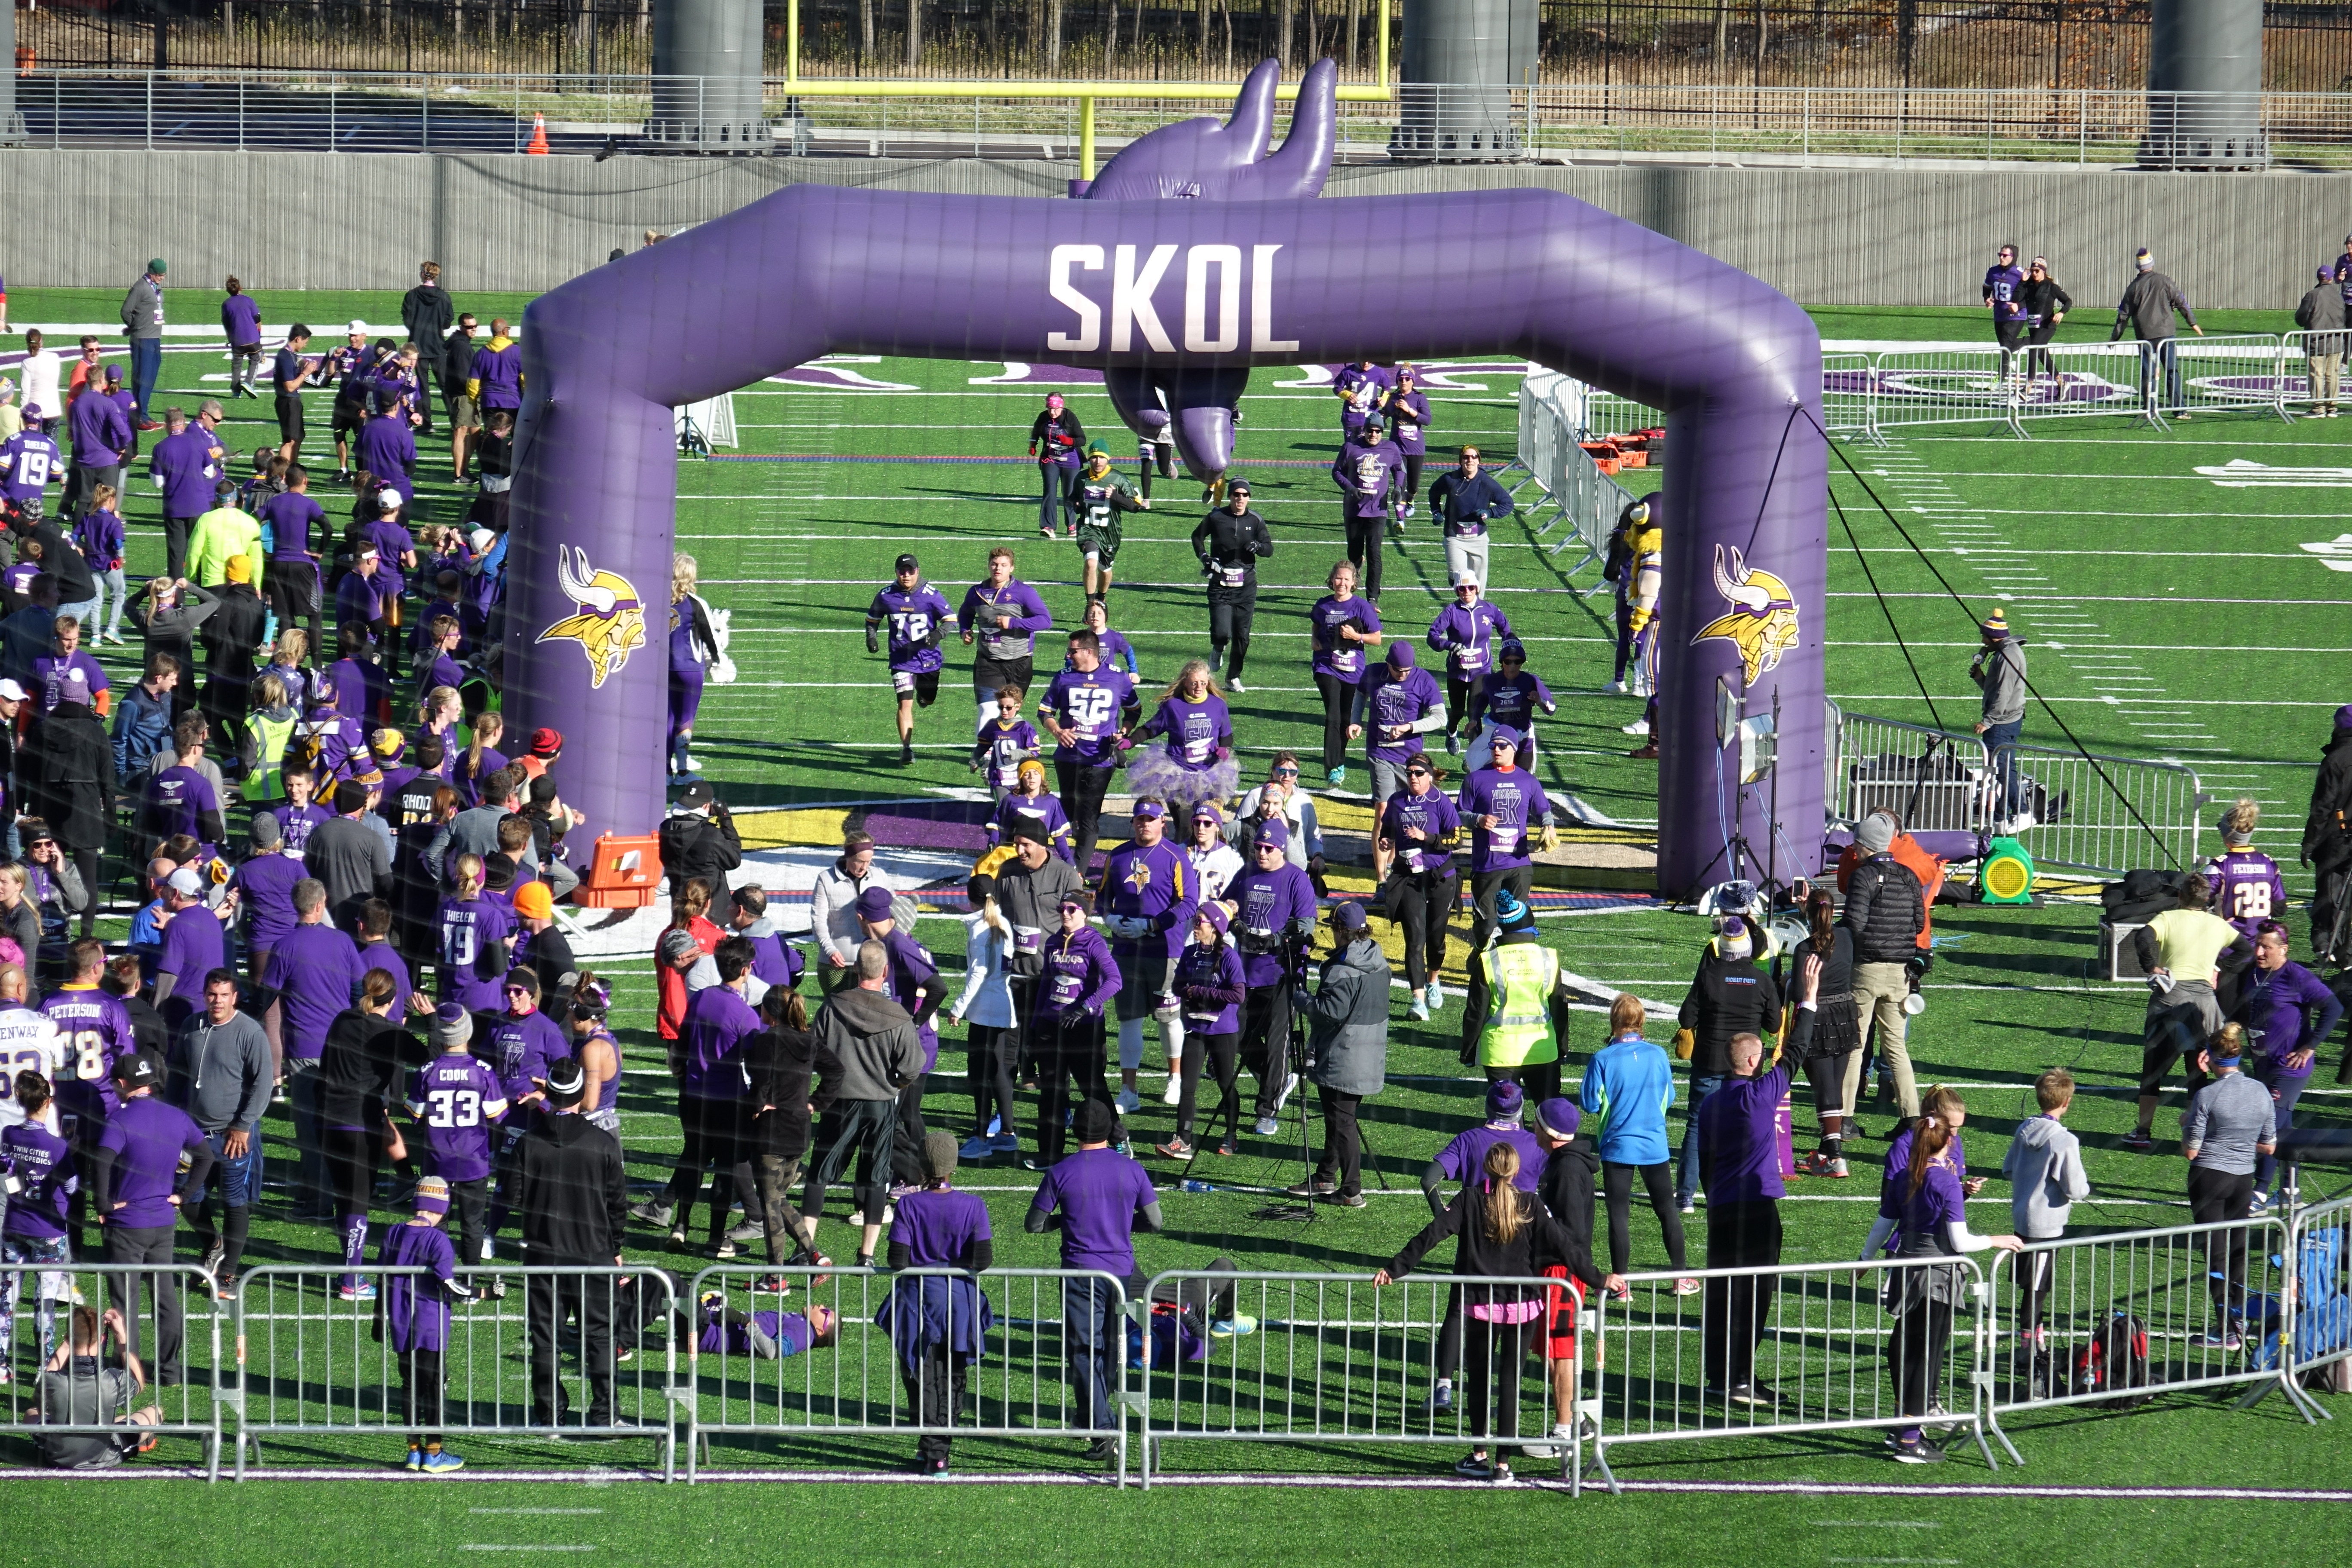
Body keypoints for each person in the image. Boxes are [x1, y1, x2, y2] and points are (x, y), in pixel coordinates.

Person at [1376, 1142, 1615, 1484]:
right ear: (1516, 1171)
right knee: (1509, 1383)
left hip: (1480, 1306)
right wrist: (1600, 1279)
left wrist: (1394, 1269)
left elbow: (1430, 1236)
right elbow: (1566, 1246)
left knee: (1479, 1382)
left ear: (1487, 1168)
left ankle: (1479, 1455)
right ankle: (1503, 1465)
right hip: (1524, 1306)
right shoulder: (1530, 1203)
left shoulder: (1470, 1200)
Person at [1695, 953, 1811, 1406]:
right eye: (1759, 1055)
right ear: (1748, 1059)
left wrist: (1715, 1195)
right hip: (1757, 1206)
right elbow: (1797, 1053)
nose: (1766, 1059)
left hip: (1722, 1207)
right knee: (1753, 1295)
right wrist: (1810, 1003)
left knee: (1723, 1294)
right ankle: (1741, 1379)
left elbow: (1703, 1163)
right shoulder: (1760, 1095)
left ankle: (1719, 1376)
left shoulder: (1710, 1105)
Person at [1025, 1098, 1162, 1464]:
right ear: (1109, 1131)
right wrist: (1123, 1225)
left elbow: (1034, 1223)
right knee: (1112, 1349)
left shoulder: (1062, 1171)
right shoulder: (1131, 1169)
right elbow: (1156, 1221)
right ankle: (1100, 1418)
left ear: (1074, 1131)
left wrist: (1064, 1223)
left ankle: (1101, 1427)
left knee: (1085, 1351)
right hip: (1120, 1271)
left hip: (1079, 1272)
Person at [1882, 1116, 2023, 1464]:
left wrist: (1865, 1258)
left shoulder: (1905, 1176)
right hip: (1937, 1277)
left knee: (1903, 1348)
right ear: (1945, 1144)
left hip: (1906, 1271)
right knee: (1924, 1357)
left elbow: (1882, 1224)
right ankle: (1910, 1439)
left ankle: (1901, 1427)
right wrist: (1997, 1240)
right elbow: (1960, 1241)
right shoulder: (1944, 1181)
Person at [516, 1058, 628, 1432]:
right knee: (599, 1336)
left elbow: (513, 1196)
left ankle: (549, 1414)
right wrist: (617, 1246)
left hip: (543, 1255)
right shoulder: (601, 1142)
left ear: (547, 1093)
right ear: (581, 1095)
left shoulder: (528, 1142)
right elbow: (617, 1204)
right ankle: (604, 1413)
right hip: (593, 1255)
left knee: (546, 1339)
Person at [801, 942, 926, 1268]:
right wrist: (894, 1083)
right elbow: (913, 1067)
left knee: (818, 1175)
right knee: (875, 1179)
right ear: (885, 972)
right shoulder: (898, 1018)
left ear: (856, 970)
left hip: (839, 1102)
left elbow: (814, 1052)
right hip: (879, 1105)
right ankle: (866, 1256)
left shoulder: (832, 1006)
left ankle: (806, 1248)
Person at [91, 1052, 213, 1387]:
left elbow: (101, 1162)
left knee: (124, 1302)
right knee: (165, 1299)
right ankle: (170, 1372)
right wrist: (183, 1195)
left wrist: (102, 1204)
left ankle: (129, 1373)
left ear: (122, 1084)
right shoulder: (176, 1116)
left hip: (127, 1223)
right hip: (162, 1221)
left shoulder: (120, 1120)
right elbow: (205, 1155)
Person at [878, 1130, 995, 1476]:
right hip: (958, 1303)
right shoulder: (974, 1205)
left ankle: (934, 1451)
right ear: (953, 1167)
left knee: (921, 1375)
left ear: (922, 1166)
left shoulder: (910, 1205)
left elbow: (898, 1260)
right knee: (953, 1376)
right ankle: (937, 1448)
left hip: (919, 1303)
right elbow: (983, 1260)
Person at [2125, 873, 2254, 1152]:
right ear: (2207, 900)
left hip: (2170, 999)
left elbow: (2143, 938)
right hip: (2203, 1004)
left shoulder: (2168, 919)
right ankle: (2196, 1133)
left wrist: (2152, 968)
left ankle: (2143, 1132)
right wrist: (2219, 970)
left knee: (2153, 1070)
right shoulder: (2217, 924)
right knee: (2197, 1069)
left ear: (2181, 897)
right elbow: (2245, 949)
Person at [167, 971, 271, 1300]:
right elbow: (177, 1076)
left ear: (235, 996)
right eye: (212, 994)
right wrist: (173, 1120)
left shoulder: (250, 1032)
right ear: (204, 995)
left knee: (234, 1202)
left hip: (233, 1136)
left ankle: (227, 1274)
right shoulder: (191, 1027)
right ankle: (214, 1244)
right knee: (188, 1197)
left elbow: (263, 1084)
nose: (217, 1001)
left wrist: (243, 1125)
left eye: (224, 995)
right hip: (195, 1135)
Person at [1579, 995, 1694, 1289]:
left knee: (1619, 1216)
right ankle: (1679, 1277)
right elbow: (1670, 1098)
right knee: (1667, 1210)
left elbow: (1590, 1104)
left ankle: (1622, 1287)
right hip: (1654, 1144)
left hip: (1617, 1146)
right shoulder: (1657, 1054)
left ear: (1614, 1021)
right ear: (1641, 1021)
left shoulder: (1602, 1059)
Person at [317, 970, 417, 1299]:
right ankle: (352, 1281)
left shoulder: (342, 1020)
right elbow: (428, 1057)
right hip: (362, 1124)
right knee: (359, 1202)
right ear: (391, 1001)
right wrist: (430, 1021)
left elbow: (324, 1066)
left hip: (330, 1121)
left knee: (343, 1198)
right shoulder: (391, 1031)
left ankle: (350, 1271)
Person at [663, 938, 765, 1257]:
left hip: (693, 1096)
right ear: (746, 970)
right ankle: (715, 1239)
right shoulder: (746, 1015)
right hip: (728, 1102)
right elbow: (756, 1065)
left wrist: (681, 1066)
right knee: (724, 1169)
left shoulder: (702, 997)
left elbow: (682, 1041)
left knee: (693, 1159)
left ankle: (680, 1226)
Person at [1674, 915, 1783, 1212]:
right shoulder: (1761, 981)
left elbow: (1686, 1019)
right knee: (1747, 1127)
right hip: (1746, 1070)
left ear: (1721, 949)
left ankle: (1686, 1195)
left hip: (1710, 1062)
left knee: (1698, 1126)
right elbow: (1774, 1025)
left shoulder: (1709, 977)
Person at [2230, 922, 2341, 1210]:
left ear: (2284, 949)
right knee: (2284, 1128)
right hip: (2263, 1065)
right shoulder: (2255, 973)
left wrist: (2310, 1046)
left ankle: (2260, 1192)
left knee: (2267, 1125)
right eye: (2257, 945)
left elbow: (2334, 1007)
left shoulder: (2297, 977)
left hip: (2289, 1068)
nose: (2259, 951)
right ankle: (2292, 1192)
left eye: (2266, 946)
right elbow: (2250, 1012)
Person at [734, 985, 839, 1285]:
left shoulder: (767, 1041)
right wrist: (815, 1104)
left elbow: (762, 1082)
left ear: (770, 1012)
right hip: (799, 1131)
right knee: (778, 1198)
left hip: (772, 1132)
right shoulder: (809, 1041)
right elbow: (837, 1071)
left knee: (770, 1205)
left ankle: (775, 1277)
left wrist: (756, 1106)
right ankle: (815, 1256)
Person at [2181, 1023, 2275, 1349]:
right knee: (2237, 1252)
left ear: (2211, 1057)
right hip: (2243, 1178)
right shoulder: (2261, 1091)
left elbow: (2191, 1150)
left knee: (2216, 1255)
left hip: (2209, 1176)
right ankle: (2237, 1322)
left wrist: (2186, 1123)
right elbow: (2269, 1146)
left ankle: (2227, 1331)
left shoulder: (2208, 1094)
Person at [1288, 901, 1387, 1208]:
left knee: (1342, 1122)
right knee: (1339, 1118)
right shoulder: (1378, 956)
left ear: (1341, 931)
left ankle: (1351, 1190)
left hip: (1343, 1054)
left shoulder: (1341, 969)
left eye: (1333, 928)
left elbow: (1329, 1012)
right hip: (1368, 1051)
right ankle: (1325, 1175)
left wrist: (1302, 999)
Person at [851, 888, 947, 1192]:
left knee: (891, 1114)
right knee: (907, 1112)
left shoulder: (898, 946)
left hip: (912, 1047)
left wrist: (912, 1024)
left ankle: (917, 1175)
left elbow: (938, 988)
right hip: (912, 1044)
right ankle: (926, 1172)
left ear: (861, 917)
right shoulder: (889, 942)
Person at [374, 1173, 470, 1472]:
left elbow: (380, 1276)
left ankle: (413, 1452)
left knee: (409, 1387)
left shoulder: (392, 1233)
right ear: (442, 1208)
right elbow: (449, 1286)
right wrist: (485, 1293)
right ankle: (434, 1452)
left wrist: (379, 1319)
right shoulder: (439, 1239)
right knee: (433, 1387)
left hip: (400, 1321)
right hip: (430, 1323)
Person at [404, 1003, 508, 1279]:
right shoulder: (483, 1071)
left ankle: (440, 1274)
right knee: (472, 1223)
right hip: (473, 1159)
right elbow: (498, 1115)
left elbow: (414, 1113)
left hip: (437, 1160)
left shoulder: (428, 1070)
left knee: (437, 1221)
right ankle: (470, 1276)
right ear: (468, 1032)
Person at [1229, 819, 1317, 1144]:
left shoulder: (1296, 879)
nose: (1262, 853)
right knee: (1238, 1038)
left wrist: (1277, 941)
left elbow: (1307, 925)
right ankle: (1278, 1082)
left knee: (1278, 1043)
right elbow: (1227, 905)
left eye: (1269, 848)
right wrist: (1235, 922)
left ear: (1281, 849)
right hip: (1245, 972)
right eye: (1259, 848)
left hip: (1282, 975)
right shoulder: (1246, 873)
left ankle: (1266, 1111)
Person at [1841, 813, 1927, 1124]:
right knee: (1896, 1049)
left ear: (1864, 846)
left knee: (1855, 1045)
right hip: (1901, 973)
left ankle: (1845, 1120)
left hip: (1867, 969)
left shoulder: (1862, 877)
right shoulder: (1908, 876)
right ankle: (1911, 1119)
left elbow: (1854, 923)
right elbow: (1919, 922)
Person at [1029, 891, 1121, 1169]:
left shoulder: (1094, 943)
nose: (1065, 913)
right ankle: (1050, 1153)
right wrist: (1035, 1026)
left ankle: (1118, 1138)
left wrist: (1085, 1007)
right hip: (1052, 1026)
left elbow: (1115, 981)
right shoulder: (1054, 942)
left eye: (1071, 909)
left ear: (1084, 913)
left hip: (1084, 1029)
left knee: (1092, 1088)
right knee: (1052, 1092)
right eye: (1062, 909)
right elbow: (1046, 984)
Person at [1461, 888, 1573, 1106]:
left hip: (1500, 1052)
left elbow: (1476, 1011)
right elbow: (1560, 1007)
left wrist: (1468, 1051)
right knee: (1549, 1116)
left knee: (1506, 1119)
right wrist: (1562, 1047)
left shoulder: (1488, 960)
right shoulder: (1548, 958)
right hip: (1542, 1049)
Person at [2001, 1068, 2089, 1349]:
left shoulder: (2024, 1128)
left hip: (2022, 1217)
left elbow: (2008, 1169)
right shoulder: (2065, 1140)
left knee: (2033, 1285)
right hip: (2047, 1224)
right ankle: (2029, 1348)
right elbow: (2076, 1189)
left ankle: (2034, 1334)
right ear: (2067, 1102)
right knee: (2037, 1290)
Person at [1039, 629, 1138, 875]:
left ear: (1089, 652)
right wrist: (1057, 731)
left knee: (1088, 819)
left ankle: (1077, 873)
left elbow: (1134, 710)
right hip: (1068, 756)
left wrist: (1123, 732)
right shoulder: (1063, 677)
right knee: (1068, 812)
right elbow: (1045, 712)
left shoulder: (1117, 677)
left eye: (1073, 651)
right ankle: (1064, 863)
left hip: (1099, 759)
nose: (1068, 655)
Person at [1457, 727, 1559, 955]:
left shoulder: (1528, 781)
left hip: (1518, 863)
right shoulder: (1476, 779)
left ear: (1513, 749)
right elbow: (1460, 814)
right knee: (1486, 925)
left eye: (1503, 746)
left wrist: (1548, 826)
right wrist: (1479, 819)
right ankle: (1480, 952)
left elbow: (1543, 810)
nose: (1497, 750)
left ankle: (1507, 966)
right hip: (1487, 864)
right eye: (1493, 746)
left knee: (1515, 925)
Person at [1, 1072, 77, 1367]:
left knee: (6, 1299)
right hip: (49, 1229)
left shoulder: (8, 1133)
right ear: (48, 1101)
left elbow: (8, 1175)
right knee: (43, 1304)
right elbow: (71, 1187)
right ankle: (44, 1368)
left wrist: (18, 1194)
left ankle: (1, 1365)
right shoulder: (58, 1146)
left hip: (14, 1225)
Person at [1161, 902, 1244, 1160]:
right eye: (1196, 920)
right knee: (1188, 1086)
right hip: (1195, 1028)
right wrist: (1187, 990)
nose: (1195, 926)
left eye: (1200, 922)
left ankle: (1231, 1134)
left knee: (1225, 1082)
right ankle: (1183, 1139)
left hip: (1223, 1030)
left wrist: (1201, 992)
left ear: (1216, 927)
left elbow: (1238, 994)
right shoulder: (1189, 954)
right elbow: (1176, 986)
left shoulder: (1229, 957)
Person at [33, 1305, 165, 1469]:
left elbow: (43, 1397)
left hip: (56, 1456)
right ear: (102, 1339)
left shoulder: (51, 1380)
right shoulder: (113, 1380)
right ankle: (134, 1440)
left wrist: (67, 1345)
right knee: (155, 1412)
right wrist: (121, 1336)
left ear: (68, 1338)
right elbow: (139, 1382)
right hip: (103, 1456)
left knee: (30, 1413)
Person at [1787, 885, 1860, 1177]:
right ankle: (1826, 1152)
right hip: (1846, 1013)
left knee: (1824, 1089)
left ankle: (1836, 1158)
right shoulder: (1846, 937)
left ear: (1811, 912)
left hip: (1818, 1017)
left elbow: (1799, 994)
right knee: (1835, 1086)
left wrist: (1786, 982)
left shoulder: (1805, 948)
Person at [1357, 644, 1446, 877]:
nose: (1403, 675)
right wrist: (1355, 720)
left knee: (1406, 812)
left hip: (1410, 758)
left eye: (1407, 670)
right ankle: (1381, 878)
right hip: (1380, 753)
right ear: (1388, 664)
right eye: (1398, 670)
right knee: (1383, 809)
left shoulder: (1423, 680)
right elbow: (1359, 694)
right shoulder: (1373, 672)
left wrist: (1410, 727)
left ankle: (1396, 865)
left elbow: (1440, 717)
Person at [951, 873, 1020, 1161]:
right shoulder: (1002, 922)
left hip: (985, 1008)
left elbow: (979, 972)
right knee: (999, 1071)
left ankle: (981, 1137)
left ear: (971, 899)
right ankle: (1007, 1133)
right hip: (1004, 1005)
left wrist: (959, 1006)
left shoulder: (981, 927)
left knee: (980, 1074)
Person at [865, 552, 953, 769]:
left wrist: (938, 634)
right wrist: (871, 637)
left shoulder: (931, 594)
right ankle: (906, 748)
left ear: (918, 571)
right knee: (904, 703)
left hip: (928, 658)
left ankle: (926, 698)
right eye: (901, 572)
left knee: (928, 699)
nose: (906, 576)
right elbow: (872, 620)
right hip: (901, 658)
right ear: (896, 573)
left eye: (910, 571)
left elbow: (951, 619)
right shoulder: (886, 595)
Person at [957, 546, 1052, 733]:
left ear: (1012, 568)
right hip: (988, 661)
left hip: (1020, 661)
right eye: (994, 564)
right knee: (988, 709)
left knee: (1009, 711)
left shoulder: (1024, 592)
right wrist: (964, 630)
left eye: (1003, 565)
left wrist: (1014, 623)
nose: (998, 569)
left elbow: (1045, 621)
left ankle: (1007, 749)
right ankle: (983, 755)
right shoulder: (976, 593)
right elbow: (965, 612)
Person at [1191, 477, 1272, 690]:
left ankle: (1233, 677)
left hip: (1246, 585)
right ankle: (1218, 648)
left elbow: (1269, 548)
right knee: (1221, 632)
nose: (1240, 498)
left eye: (1245, 495)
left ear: (1249, 498)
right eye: (1237, 494)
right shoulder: (1217, 517)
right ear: (1229, 496)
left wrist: (1258, 547)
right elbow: (1197, 537)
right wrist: (1206, 558)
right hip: (1220, 582)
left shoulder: (1255, 520)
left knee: (1242, 636)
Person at [1123, 662, 1237, 815]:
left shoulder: (1218, 705)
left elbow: (1226, 735)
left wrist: (1225, 748)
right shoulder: (1172, 706)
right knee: (1185, 828)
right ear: (1185, 683)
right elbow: (1150, 730)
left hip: (1210, 774)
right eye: (1194, 683)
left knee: (1207, 821)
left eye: (1203, 683)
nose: (1199, 687)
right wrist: (1130, 741)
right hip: (1178, 775)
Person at [1308, 561, 1382, 787]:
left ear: (1354, 583)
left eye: (1346, 579)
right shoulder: (1323, 605)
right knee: (1333, 713)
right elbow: (1315, 624)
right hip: (1325, 666)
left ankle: (1340, 761)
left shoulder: (1361, 607)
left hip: (1353, 670)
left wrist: (1356, 637)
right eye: (1338, 578)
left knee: (1346, 719)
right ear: (1332, 580)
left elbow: (1377, 638)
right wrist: (1314, 639)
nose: (1341, 583)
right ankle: (1333, 766)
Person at [2109, 246, 2203, 417]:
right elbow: (2181, 302)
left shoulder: (2133, 287)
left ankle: (2149, 409)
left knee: (2148, 374)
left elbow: (2123, 316)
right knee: (2172, 371)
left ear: (2138, 267)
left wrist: (2115, 338)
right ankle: (2179, 409)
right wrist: (2193, 323)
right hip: (2166, 332)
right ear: (2152, 262)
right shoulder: (2164, 281)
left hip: (2145, 335)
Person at [1427, 577, 1511, 756]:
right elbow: (1432, 636)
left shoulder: (1489, 609)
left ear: (1477, 589)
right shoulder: (1451, 611)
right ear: (1457, 590)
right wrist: (1449, 645)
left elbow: (1505, 628)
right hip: (1457, 672)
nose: (1467, 592)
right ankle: (1451, 733)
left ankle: (1474, 757)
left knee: (1475, 713)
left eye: (1471, 588)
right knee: (1457, 712)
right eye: (1462, 589)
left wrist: (1510, 645)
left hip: (1482, 670)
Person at [1967, 607, 2034, 830]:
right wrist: (1980, 677)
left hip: (2003, 722)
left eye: (1984, 637)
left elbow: (2003, 694)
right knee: (2003, 767)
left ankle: (2022, 811)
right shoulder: (2003, 653)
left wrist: (1988, 721)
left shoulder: (2007, 657)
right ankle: (2002, 816)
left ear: (1993, 637)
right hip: (2007, 719)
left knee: (2003, 767)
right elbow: (1995, 689)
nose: (1983, 641)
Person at [1228, 754, 1328, 891]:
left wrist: (1318, 856)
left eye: (1293, 772)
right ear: (1273, 770)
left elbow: (1311, 837)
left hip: (1287, 874)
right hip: (1253, 870)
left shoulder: (1304, 801)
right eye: (1282, 771)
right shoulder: (1255, 796)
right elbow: (1240, 829)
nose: (1287, 776)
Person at [306, 779, 394, 932]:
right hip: (361, 918)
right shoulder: (371, 838)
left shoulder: (318, 833)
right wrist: (376, 898)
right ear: (363, 804)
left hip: (324, 915)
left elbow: (308, 874)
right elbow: (386, 881)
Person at [1332, 416, 1403, 602]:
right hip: (1354, 509)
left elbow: (1400, 470)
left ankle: (1373, 598)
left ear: (1382, 432)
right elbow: (1337, 471)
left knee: (1374, 554)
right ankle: (1350, 591)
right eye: (1370, 430)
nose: (1374, 434)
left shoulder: (1391, 448)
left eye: (1378, 431)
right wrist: (1350, 488)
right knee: (1354, 553)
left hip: (1377, 510)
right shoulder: (1351, 448)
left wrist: (1398, 488)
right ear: (1364, 430)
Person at [2303, 702, 2352, 966]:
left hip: (2336, 838)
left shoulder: (2335, 760)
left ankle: (2327, 946)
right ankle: (2345, 949)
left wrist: (2309, 843)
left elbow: (2322, 807)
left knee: (2329, 894)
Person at [1426, 445, 1513, 592]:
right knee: (1460, 580)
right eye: (1466, 457)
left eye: (1474, 457)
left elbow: (1508, 503)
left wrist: (1490, 513)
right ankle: (1454, 581)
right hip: (1455, 537)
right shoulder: (1450, 479)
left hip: (1478, 538)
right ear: (1460, 461)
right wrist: (1436, 512)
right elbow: (1434, 492)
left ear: (1479, 461)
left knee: (1478, 585)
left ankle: (1477, 613)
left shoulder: (1486, 482)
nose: (1470, 460)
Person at [1067, 442, 1147, 602]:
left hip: (1110, 532)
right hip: (1088, 529)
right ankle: (1090, 604)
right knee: (1091, 563)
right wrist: (1076, 505)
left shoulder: (1118, 479)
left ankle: (1101, 598)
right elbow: (1073, 499)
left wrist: (1116, 496)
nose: (1098, 461)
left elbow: (1136, 506)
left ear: (1108, 459)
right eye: (1094, 458)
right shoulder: (1082, 477)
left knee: (1105, 570)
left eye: (1102, 457)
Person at [658, 779, 743, 925]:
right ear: (706, 806)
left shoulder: (665, 828)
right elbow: (734, 860)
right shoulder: (711, 836)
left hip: (681, 910)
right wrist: (726, 819)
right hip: (710, 913)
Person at [667, 554, 720, 779]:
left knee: (668, 719)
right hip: (689, 669)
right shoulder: (696, 604)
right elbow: (710, 636)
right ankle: (682, 770)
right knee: (686, 718)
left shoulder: (656, 599)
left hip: (663, 669)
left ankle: (664, 773)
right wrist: (717, 660)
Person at [810, 830, 883, 994]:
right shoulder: (826, 879)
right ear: (848, 856)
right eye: (859, 861)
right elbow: (818, 920)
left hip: (871, 962)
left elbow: (892, 914)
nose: (864, 867)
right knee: (836, 1013)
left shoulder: (880, 877)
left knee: (867, 1014)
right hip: (836, 964)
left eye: (869, 862)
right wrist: (830, 950)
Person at [2204, 797, 2288, 937]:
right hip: (2260, 944)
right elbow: (2280, 908)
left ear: (2226, 833)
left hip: (2229, 944)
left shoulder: (2219, 866)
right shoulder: (2269, 863)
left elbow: (2196, 901)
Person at [987, 760, 1072, 863]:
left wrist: (1071, 864)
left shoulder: (1051, 802)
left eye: (1036, 773)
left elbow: (1059, 838)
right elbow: (997, 826)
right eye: (1027, 774)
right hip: (1011, 856)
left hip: (1038, 859)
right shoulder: (1010, 800)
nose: (1032, 777)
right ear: (1021, 778)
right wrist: (992, 844)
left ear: (1042, 777)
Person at [971, 686, 1044, 806]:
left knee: (1021, 809)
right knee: (1002, 807)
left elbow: (1035, 753)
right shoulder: (993, 725)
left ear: (1018, 706)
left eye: (1009, 708)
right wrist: (974, 759)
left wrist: (1020, 753)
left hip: (1021, 777)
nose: (1004, 711)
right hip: (999, 776)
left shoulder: (1025, 727)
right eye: (1001, 707)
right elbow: (982, 745)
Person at [1027, 392, 1086, 539]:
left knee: (1070, 493)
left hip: (1071, 462)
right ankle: (1048, 526)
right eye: (1049, 409)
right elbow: (1036, 430)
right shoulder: (1043, 417)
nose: (1052, 412)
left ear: (1061, 407)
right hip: (1050, 460)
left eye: (1055, 409)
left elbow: (1082, 440)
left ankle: (1072, 524)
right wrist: (1033, 443)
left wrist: (1069, 442)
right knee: (1049, 491)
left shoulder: (1069, 417)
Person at [1380, 367, 1432, 524]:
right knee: (1399, 484)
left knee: (1413, 486)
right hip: (1397, 449)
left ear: (1413, 381)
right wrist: (1380, 416)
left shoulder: (1419, 398)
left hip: (1416, 449)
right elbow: (1384, 413)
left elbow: (1427, 420)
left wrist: (1409, 410)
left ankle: (1411, 500)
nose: (1404, 382)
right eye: (1401, 379)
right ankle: (1400, 520)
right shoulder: (1393, 398)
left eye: (1407, 379)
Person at [121, 261, 168, 427]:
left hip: (155, 337)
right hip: (143, 339)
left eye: (164, 275)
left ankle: (144, 414)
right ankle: (140, 417)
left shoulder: (155, 287)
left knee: (150, 377)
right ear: (151, 273)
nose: (162, 278)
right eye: (159, 275)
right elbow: (126, 311)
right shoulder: (140, 287)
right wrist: (135, 328)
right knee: (143, 377)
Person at [2296, 264, 2345, 417]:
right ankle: (2332, 407)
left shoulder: (2312, 295)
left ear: (2319, 278)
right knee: (2333, 375)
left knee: (2317, 375)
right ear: (2331, 279)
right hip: (2336, 342)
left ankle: (2318, 407)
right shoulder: (2338, 296)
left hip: (2316, 342)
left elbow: (2301, 319)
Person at [2018, 256, 2073, 385]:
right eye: (2033, 270)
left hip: (2048, 325)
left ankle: (2029, 385)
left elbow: (2068, 301)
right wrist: (2022, 282)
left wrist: (2061, 313)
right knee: (2043, 355)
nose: (2035, 273)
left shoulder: (2051, 287)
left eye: (2037, 270)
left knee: (2034, 347)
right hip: (2033, 325)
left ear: (2043, 271)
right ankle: (2061, 383)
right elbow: (2018, 298)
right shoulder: (2029, 285)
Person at [1982, 242, 2028, 377]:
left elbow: (2030, 297)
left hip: (2016, 315)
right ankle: (2029, 341)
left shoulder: (2019, 274)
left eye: (2005, 255)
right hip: (1999, 314)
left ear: (2013, 257)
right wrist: (1987, 298)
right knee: (2005, 345)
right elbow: (1987, 287)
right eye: (2000, 255)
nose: (2001, 257)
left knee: (2006, 346)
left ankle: (2001, 377)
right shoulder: (1993, 271)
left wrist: (2018, 306)